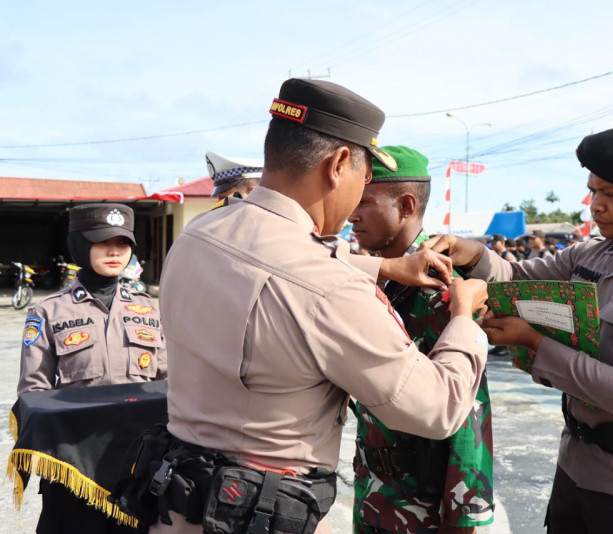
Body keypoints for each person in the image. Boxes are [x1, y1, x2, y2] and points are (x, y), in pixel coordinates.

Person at [150, 78, 489, 533]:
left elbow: (282, 261)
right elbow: (438, 408)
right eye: (365, 178)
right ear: (339, 164)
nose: (354, 206)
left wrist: (384, 268)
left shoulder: (197, 236)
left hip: (178, 499)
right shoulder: (329, 289)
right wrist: (465, 318)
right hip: (259, 512)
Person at [424, 122, 613, 533]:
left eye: (610, 194)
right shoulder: (593, 255)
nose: (595, 205)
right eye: (593, 190)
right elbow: (514, 275)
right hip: (577, 464)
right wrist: (471, 253)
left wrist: (533, 341)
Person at [347, 145, 494, 533]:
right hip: (374, 491)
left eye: (364, 202)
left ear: (407, 205)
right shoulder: (377, 281)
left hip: (421, 512)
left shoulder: (443, 293)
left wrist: (464, 521)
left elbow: (469, 413)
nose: (351, 215)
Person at [18, 203, 167, 534]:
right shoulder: (48, 313)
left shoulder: (149, 310)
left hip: (141, 465)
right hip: (78, 466)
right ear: (79, 246)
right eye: (102, 241)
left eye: (123, 242)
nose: (115, 251)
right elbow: (33, 395)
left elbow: (168, 383)